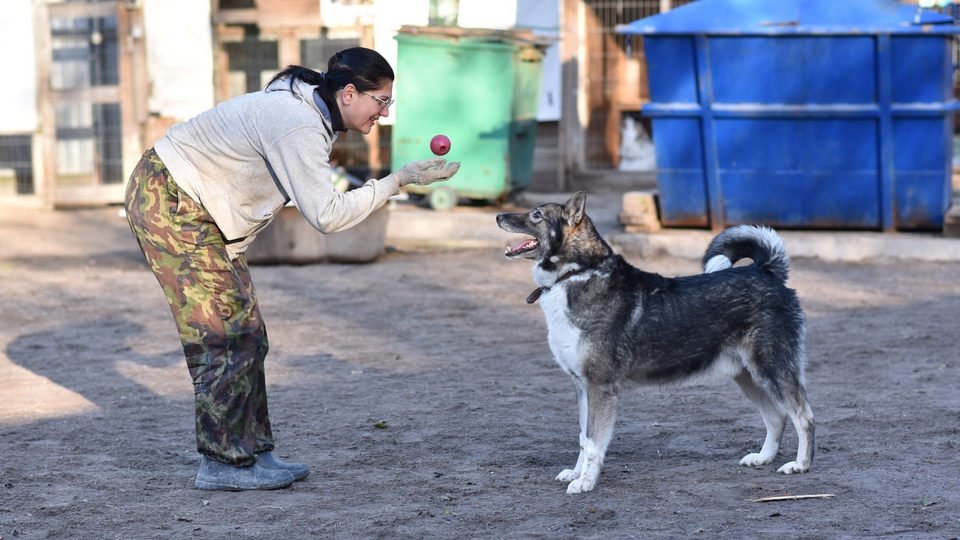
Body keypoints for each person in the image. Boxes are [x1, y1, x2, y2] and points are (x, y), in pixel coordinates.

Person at [124, 47, 459, 491]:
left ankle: (253, 454)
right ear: (349, 93)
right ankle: (222, 464)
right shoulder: (298, 123)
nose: (384, 112)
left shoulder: (309, 109)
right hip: (170, 201)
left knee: (248, 334)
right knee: (222, 337)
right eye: (382, 101)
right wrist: (397, 181)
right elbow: (328, 216)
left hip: (194, 205)